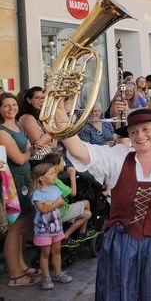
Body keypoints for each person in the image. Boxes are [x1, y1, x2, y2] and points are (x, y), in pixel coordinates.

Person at [60, 108, 151, 300]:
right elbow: (77, 150)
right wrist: (59, 110)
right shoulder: (119, 156)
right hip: (120, 243)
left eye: (146, 129)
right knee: (119, 294)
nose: (140, 135)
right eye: (134, 131)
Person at [0, 92, 41, 286]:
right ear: (0, 109)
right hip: (13, 184)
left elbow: (28, 152)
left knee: (24, 225)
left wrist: (31, 150)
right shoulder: (2, 131)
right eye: (6, 106)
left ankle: (21, 265)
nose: (11, 108)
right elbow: (19, 158)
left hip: (24, 179)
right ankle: (15, 276)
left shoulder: (16, 125)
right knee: (15, 228)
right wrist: (30, 150)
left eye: (13, 104)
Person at [31, 162, 73, 290]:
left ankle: (58, 273)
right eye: (51, 173)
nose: (55, 175)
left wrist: (49, 204)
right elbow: (43, 210)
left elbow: (61, 203)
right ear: (41, 178)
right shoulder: (37, 194)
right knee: (45, 253)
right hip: (43, 230)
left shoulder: (55, 189)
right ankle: (46, 277)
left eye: (54, 172)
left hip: (56, 227)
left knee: (56, 251)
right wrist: (53, 203)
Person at [42, 153, 94, 245]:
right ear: (56, 166)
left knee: (85, 211)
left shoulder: (46, 179)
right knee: (87, 208)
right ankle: (78, 233)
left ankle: (74, 232)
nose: (64, 164)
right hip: (61, 212)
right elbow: (73, 193)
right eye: (62, 162)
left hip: (49, 213)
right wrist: (72, 176)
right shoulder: (56, 182)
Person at [18, 86, 54, 165]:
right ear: (29, 100)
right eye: (37, 98)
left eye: (43, 98)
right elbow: (39, 142)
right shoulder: (27, 117)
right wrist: (51, 132)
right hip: (38, 160)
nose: (41, 101)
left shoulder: (38, 116)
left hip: (46, 158)